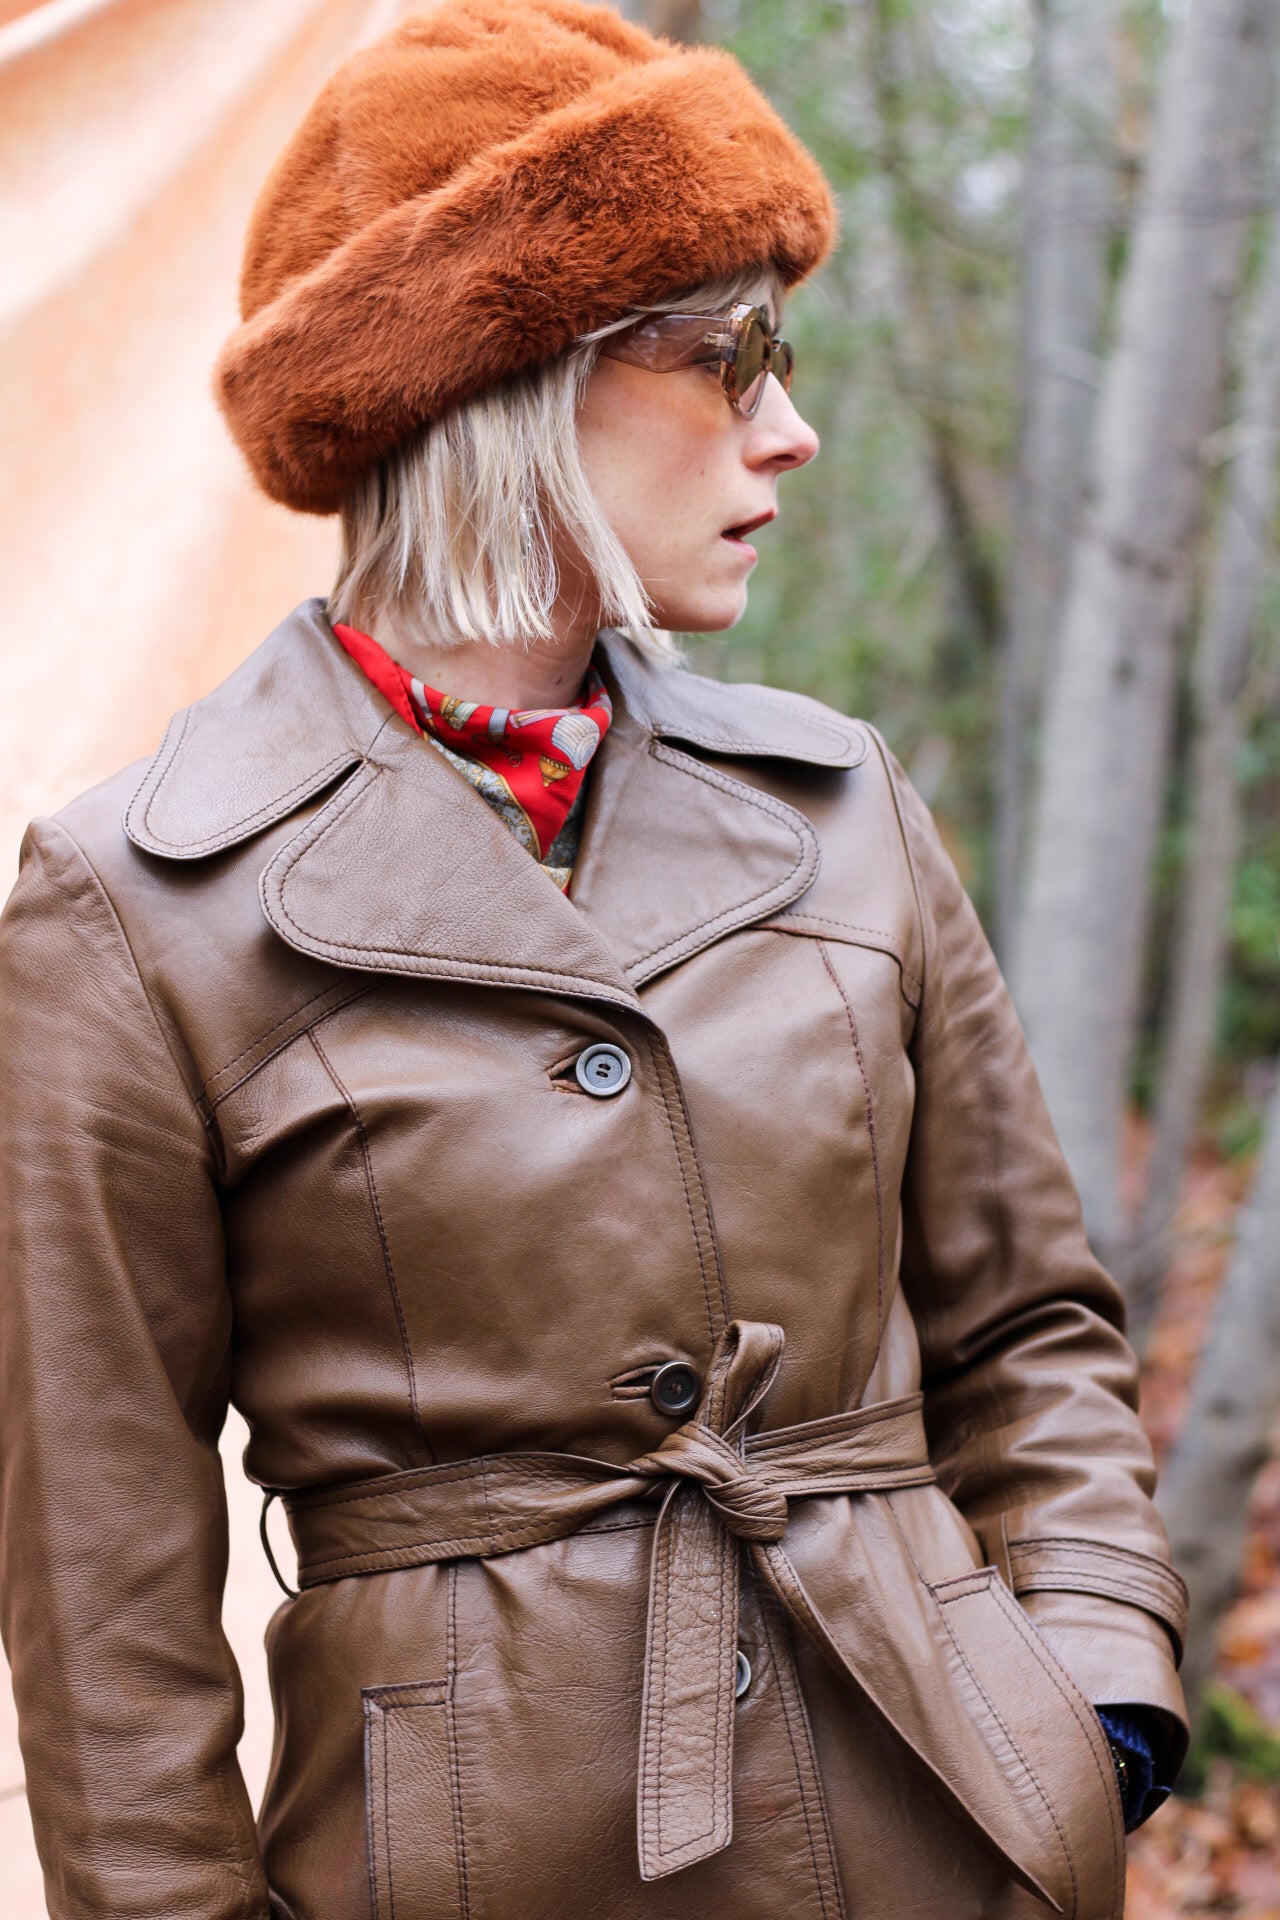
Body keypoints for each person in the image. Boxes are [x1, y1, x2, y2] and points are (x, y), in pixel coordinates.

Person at [0, 4, 1187, 1918]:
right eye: (727, 357)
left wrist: (1092, 1707)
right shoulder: (133, 906)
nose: (788, 426)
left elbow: (1029, 1330)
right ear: (501, 377)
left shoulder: (844, 809)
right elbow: (100, 1588)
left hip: (941, 1823)